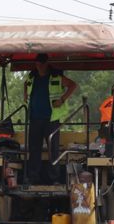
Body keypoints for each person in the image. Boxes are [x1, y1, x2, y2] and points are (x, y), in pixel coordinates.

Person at [23, 53, 76, 184]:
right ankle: (33, 177)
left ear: (47, 64)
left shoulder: (56, 77)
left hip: (52, 119)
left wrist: (62, 99)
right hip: (34, 118)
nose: (40, 66)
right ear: (36, 64)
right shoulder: (31, 77)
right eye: (38, 63)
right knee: (34, 149)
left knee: (53, 149)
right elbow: (25, 85)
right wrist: (25, 96)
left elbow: (73, 85)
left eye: (42, 63)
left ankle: (54, 179)